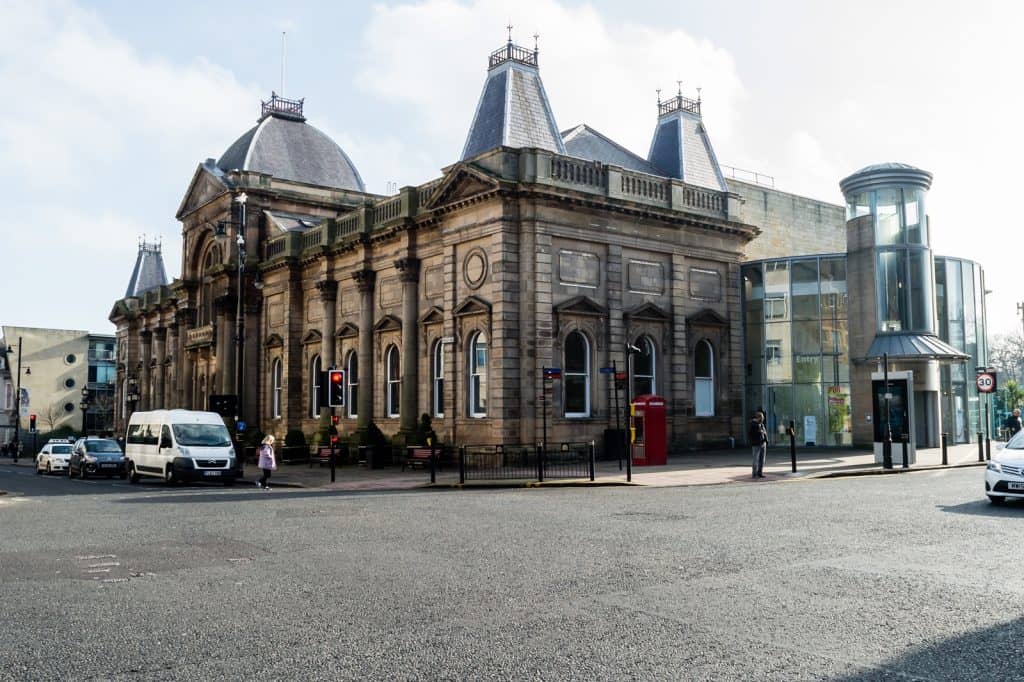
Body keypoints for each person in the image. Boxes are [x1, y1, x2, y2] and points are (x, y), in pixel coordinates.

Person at [749, 410, 768, 478]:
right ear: (758, 417)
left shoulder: (761, 424)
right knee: (755, 459)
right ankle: (754, 474)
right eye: (762, 417)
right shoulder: (753, 424)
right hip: (756, 444)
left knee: (762, 460)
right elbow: (751, 434)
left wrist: (766, 440)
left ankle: (760, 473)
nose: (763, 419)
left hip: (763, 443)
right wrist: (759, 432)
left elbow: (764, 433)